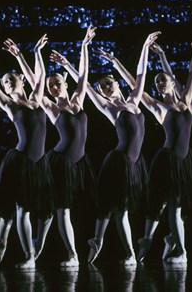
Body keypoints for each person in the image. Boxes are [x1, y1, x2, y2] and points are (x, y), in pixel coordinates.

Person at [53, 31, 159, 264]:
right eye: (103, 88)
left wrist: (144, 46)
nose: (106, 89)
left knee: (119, 208)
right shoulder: (109, 108)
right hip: (119, 161)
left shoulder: (133, 101)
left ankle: (106, 243)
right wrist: (68, 65)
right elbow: (84, 86)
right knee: (115, 206)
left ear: (116, 82)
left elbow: (141, 75)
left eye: (109, 84)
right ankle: (112, 246)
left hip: (134, 163)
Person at [1, 27, 96, 267]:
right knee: (59, 210)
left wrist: (84, 46)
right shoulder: (50, 107)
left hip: (79, 163)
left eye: (58, 83)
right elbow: (37, 80)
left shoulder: (78, 100)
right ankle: (70, 254)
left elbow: (83, 75)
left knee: (52, 211)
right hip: (60, 161)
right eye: (51, 85)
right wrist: (23, 55)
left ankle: (37, 245)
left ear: (65, 83)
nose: (54, 87)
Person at [135, 28, 192, 264]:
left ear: (172, 82)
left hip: (185, 161)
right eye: (156, 82)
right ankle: (165, 245)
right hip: (167, 160)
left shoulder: (186, 99)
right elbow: (135, 81)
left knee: (177, 204)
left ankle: (174, 245)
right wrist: (144, 50)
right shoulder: (157, 106)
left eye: (162, 80)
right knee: (164, 203)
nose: (159, 84)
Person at [0, 32, 53, 269]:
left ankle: (5, 239)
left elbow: (41, 76)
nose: (7, 83)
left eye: (12, 79)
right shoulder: (9, 104)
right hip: (21, 160)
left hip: (40, 162)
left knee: (44, 211)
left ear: (21, 80)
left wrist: (30, 53)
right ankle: (28, 256)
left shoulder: (36, 99)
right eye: (5, 82)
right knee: (21, 209)